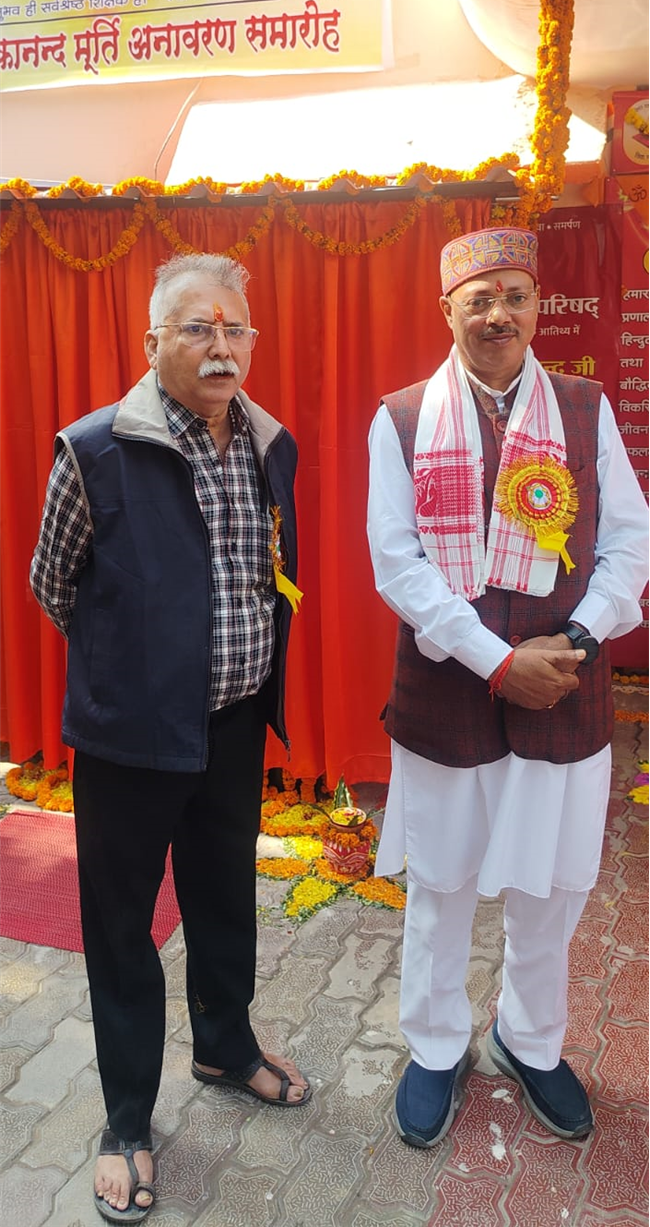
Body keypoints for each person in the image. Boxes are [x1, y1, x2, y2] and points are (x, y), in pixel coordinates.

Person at [31, 253, 310, 1223]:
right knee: (121, 930)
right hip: (130, 739)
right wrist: (134, 672)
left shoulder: (267, 442)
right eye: (198, 327)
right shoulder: (95, 449)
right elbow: (52, 582)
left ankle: (225, 1048)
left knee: (224, 899)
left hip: (233, 725)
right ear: (152, 341)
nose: (221, 345)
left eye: (235, 327)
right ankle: (124, 1121)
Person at [367, 226, 648, 1149]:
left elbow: (629, 542)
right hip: (449, 691)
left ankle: (529, 1042)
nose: (499, 314)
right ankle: (435, 1046)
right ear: (445, 309)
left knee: (551, 890)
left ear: (537, 306)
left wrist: (576, 637)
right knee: (440, 882)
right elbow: (397, 565)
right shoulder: (402, 417)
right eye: (479, 298)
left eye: (515, 295)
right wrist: (494, 659)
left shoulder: (584, 407)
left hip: (565, 684)